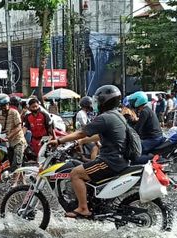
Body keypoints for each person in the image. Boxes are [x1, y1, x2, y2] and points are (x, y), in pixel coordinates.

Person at [48, 85, 129, 219]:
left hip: (110, 161)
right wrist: (80, 142)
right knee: (81, 166)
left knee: (75, 173)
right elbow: (98, 136)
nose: (95, 103)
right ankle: (91, 201)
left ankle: (83, 208)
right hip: (119, 159)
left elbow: (81, 132)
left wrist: (59, 141)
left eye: (97, 100)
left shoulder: (105, 118)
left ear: (104, 101)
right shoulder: (116, 116)